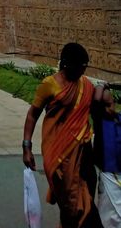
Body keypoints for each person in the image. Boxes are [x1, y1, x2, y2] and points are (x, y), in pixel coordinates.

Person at [22, 42, 103, 227]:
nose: (83, 72)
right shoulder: (49, 85)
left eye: (85, 67)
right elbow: (32, 115)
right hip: (59, 158)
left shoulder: (86, 86)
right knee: (72, 205)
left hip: (83, 155)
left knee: (82, 200)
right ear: (67, 65)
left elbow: (97, 111)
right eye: (80, 67)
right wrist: (26, 147)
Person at [92, 83, 119, 227]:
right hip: (109, 178)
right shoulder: (100, 121)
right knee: (108, 218)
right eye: (105, 106)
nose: (109, 109)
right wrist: (102, 86)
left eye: (111, 104)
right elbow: (96, 102)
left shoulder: (119, 119)